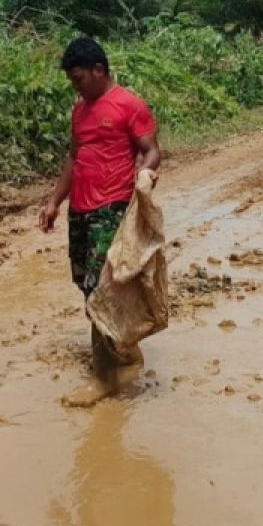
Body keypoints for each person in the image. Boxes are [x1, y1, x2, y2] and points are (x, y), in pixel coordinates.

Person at [39, 37, 161, 408]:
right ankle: (125, 348)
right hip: (81, 208)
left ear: (98, 70)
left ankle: (103, 378)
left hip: (112, 206)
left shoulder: (128, 104)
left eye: (79, 78)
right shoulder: (79, 110)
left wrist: (147, 173)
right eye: (72, 81)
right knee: (83, 280)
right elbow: (74, 160)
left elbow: (151, 150)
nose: (76, 86)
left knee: (99, 289)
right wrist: (54, 201)